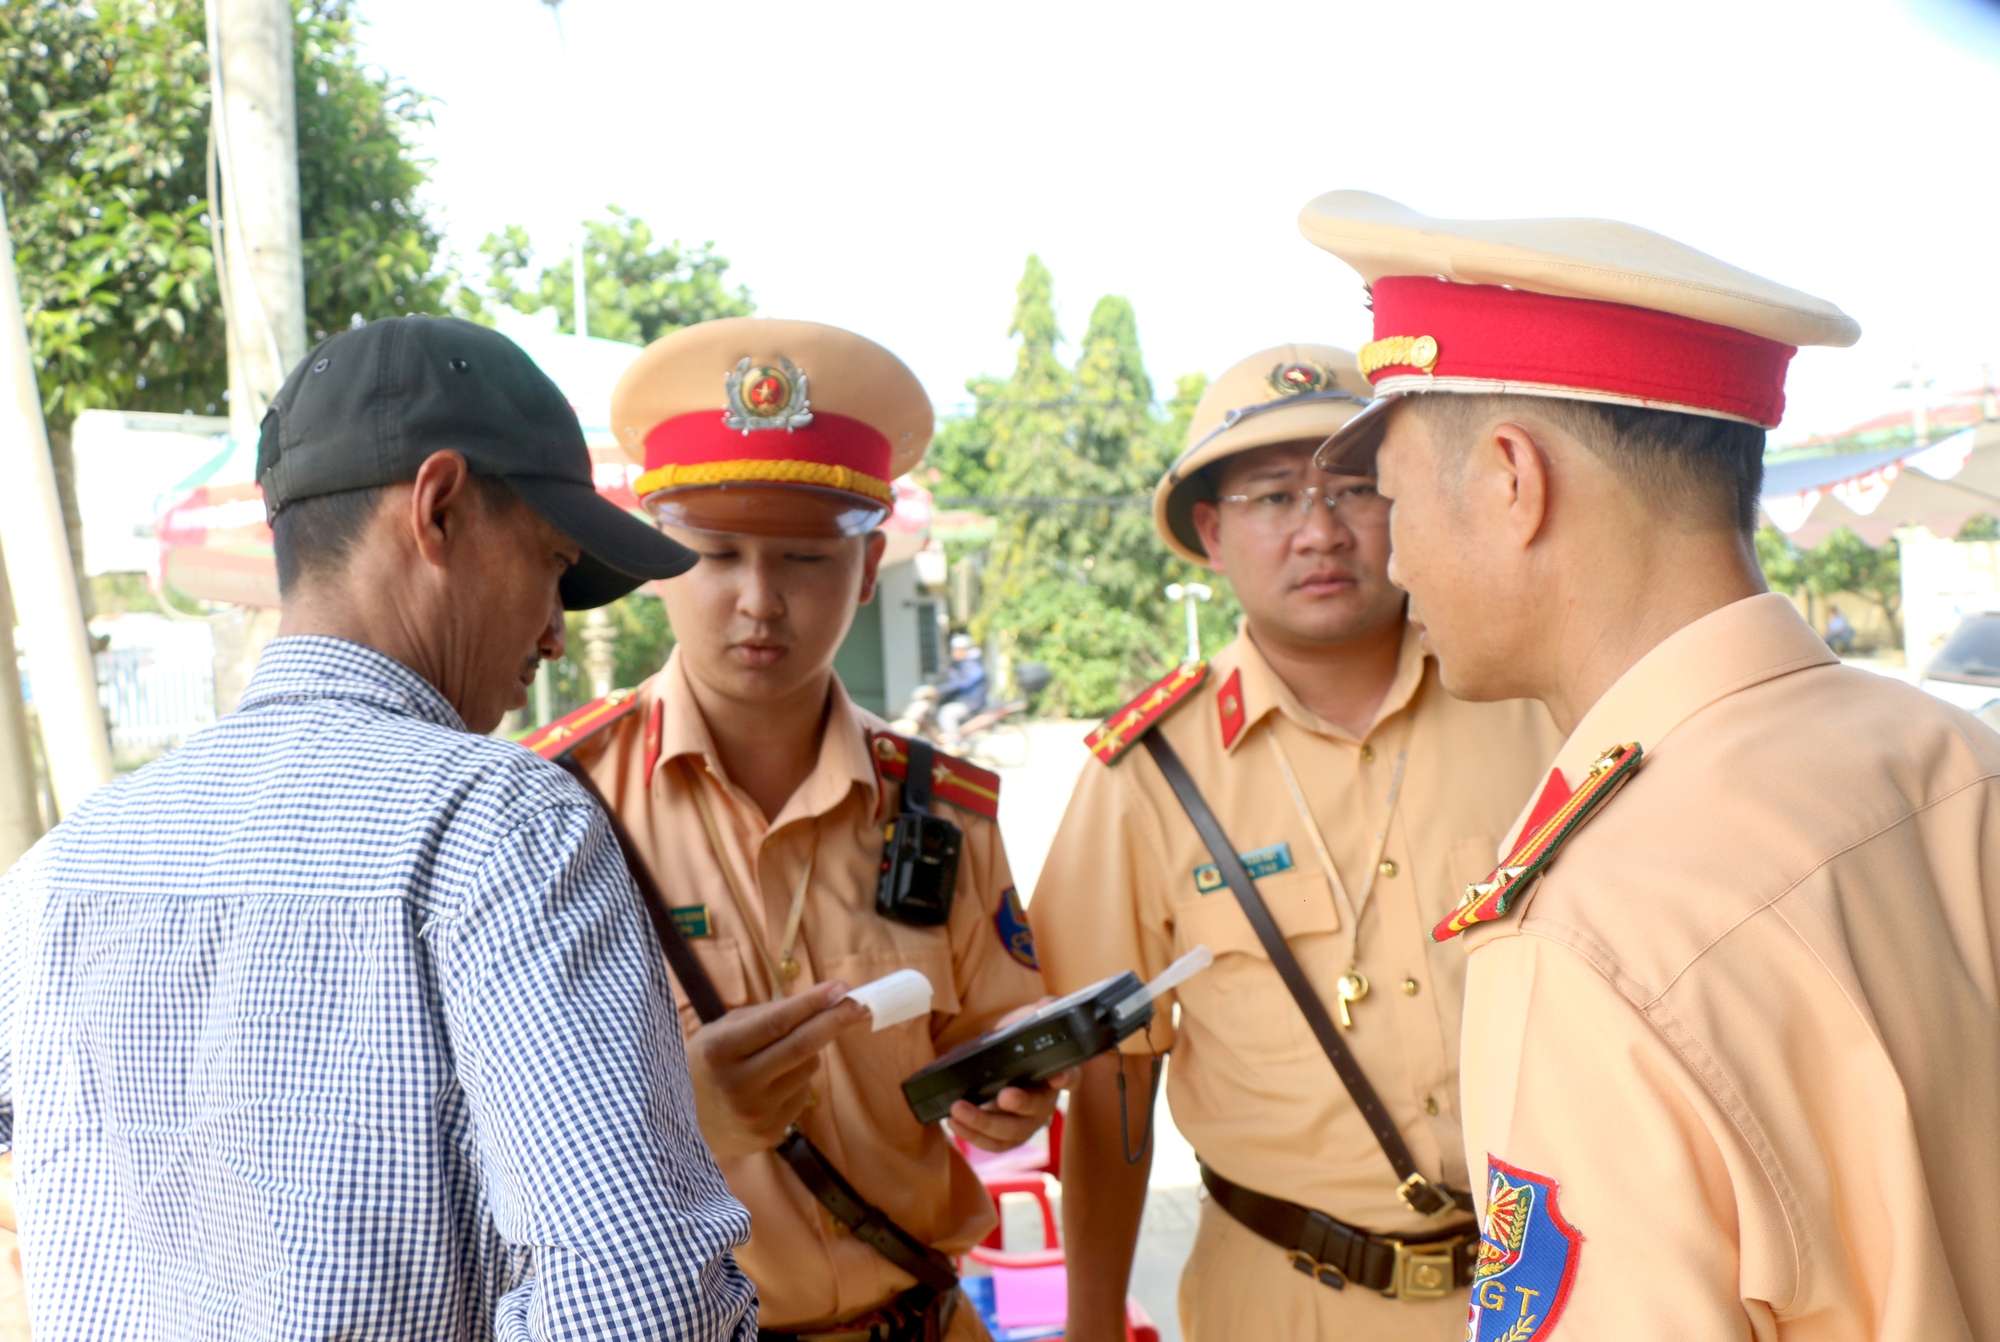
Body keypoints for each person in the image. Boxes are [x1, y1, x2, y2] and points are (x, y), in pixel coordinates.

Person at [1299, 191, 2000, 1340]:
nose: (1387, 549)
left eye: (1389, 494)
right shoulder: (1955, 756)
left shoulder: (1579, 931)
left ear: (1511, 481)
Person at [0, 317, 758, 1338]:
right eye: (549, 560)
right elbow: (635, 1293)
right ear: (437, 508)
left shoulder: (64, 867)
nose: (550, 630)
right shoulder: (498, 823)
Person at [526, 318, 1063, 1342]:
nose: (757, 601)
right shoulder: (554, 809)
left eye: (806, 559)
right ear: (652, 563)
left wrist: (1008, 1088)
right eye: (714, 553)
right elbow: (481, 1144)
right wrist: (677, 1115)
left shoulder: (942, 810)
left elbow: (984, 1039)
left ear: (866, 575)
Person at [1029, 344, 1562, 1342]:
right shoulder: (1145, 776)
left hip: (1556, 1282)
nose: (1318, 531)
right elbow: (1113, 1080)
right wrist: (1091, 1318)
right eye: (1271, 498)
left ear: (1407, 503)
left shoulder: (1534, 703)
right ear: (1210, 530)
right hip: (1278, 1299)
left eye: (1354, 489)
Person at [935, 635, 989, 744]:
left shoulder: (973, 664)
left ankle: (955, 744)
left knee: (946, 714)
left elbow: (962, 683)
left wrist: (940, 690)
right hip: (965, 700)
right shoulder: (960, 663)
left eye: (956, 650)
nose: (954, 653)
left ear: (964, 650)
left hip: (972, 702)